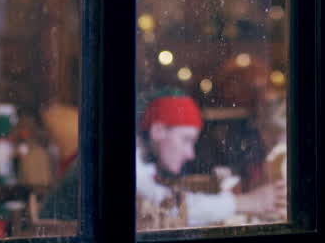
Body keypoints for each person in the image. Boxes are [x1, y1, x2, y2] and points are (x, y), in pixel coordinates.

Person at [41, 89, 285, 228]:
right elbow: (167, 208)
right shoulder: (119, 158)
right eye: (186, 140)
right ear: (158, 131)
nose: (190, 153)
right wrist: (246, 203)